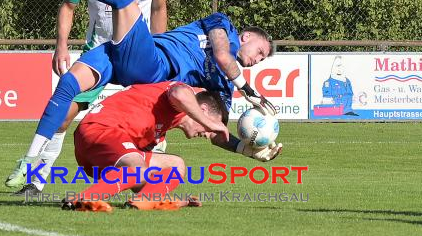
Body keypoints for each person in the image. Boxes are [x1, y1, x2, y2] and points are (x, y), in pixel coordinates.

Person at [4, 0, 277, 189]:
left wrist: (246, 149)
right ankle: (29, 165)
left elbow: (214, 130)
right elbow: (222, 55)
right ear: (247, 36)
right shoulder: (222, 24)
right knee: (66, 88)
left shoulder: (222, 87)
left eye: (262, 59)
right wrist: (249, 90)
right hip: (116, 51)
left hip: (149, 65)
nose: (258, 60)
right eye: (261, 51)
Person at [7, 0, 169, 194]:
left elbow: (159, 7)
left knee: (153, 121)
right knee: (65, 112)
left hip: (138, 54)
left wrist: (159, 48)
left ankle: (145, 179)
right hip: (102, 52)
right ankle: (35, 180)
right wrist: (61, 46)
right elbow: (68, 6)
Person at [58, 81, 282, 212]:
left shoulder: (176, 115)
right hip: (102, 131)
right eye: (207, 126)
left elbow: (215, 136)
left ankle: (139, 204)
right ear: (202, 111)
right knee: (138, 167)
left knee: (174, 166)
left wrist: (246, 150)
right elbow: (179, 93)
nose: (206, 134)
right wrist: (211, 123)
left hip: (99, 152)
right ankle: (82, 199)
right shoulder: (181, 92)